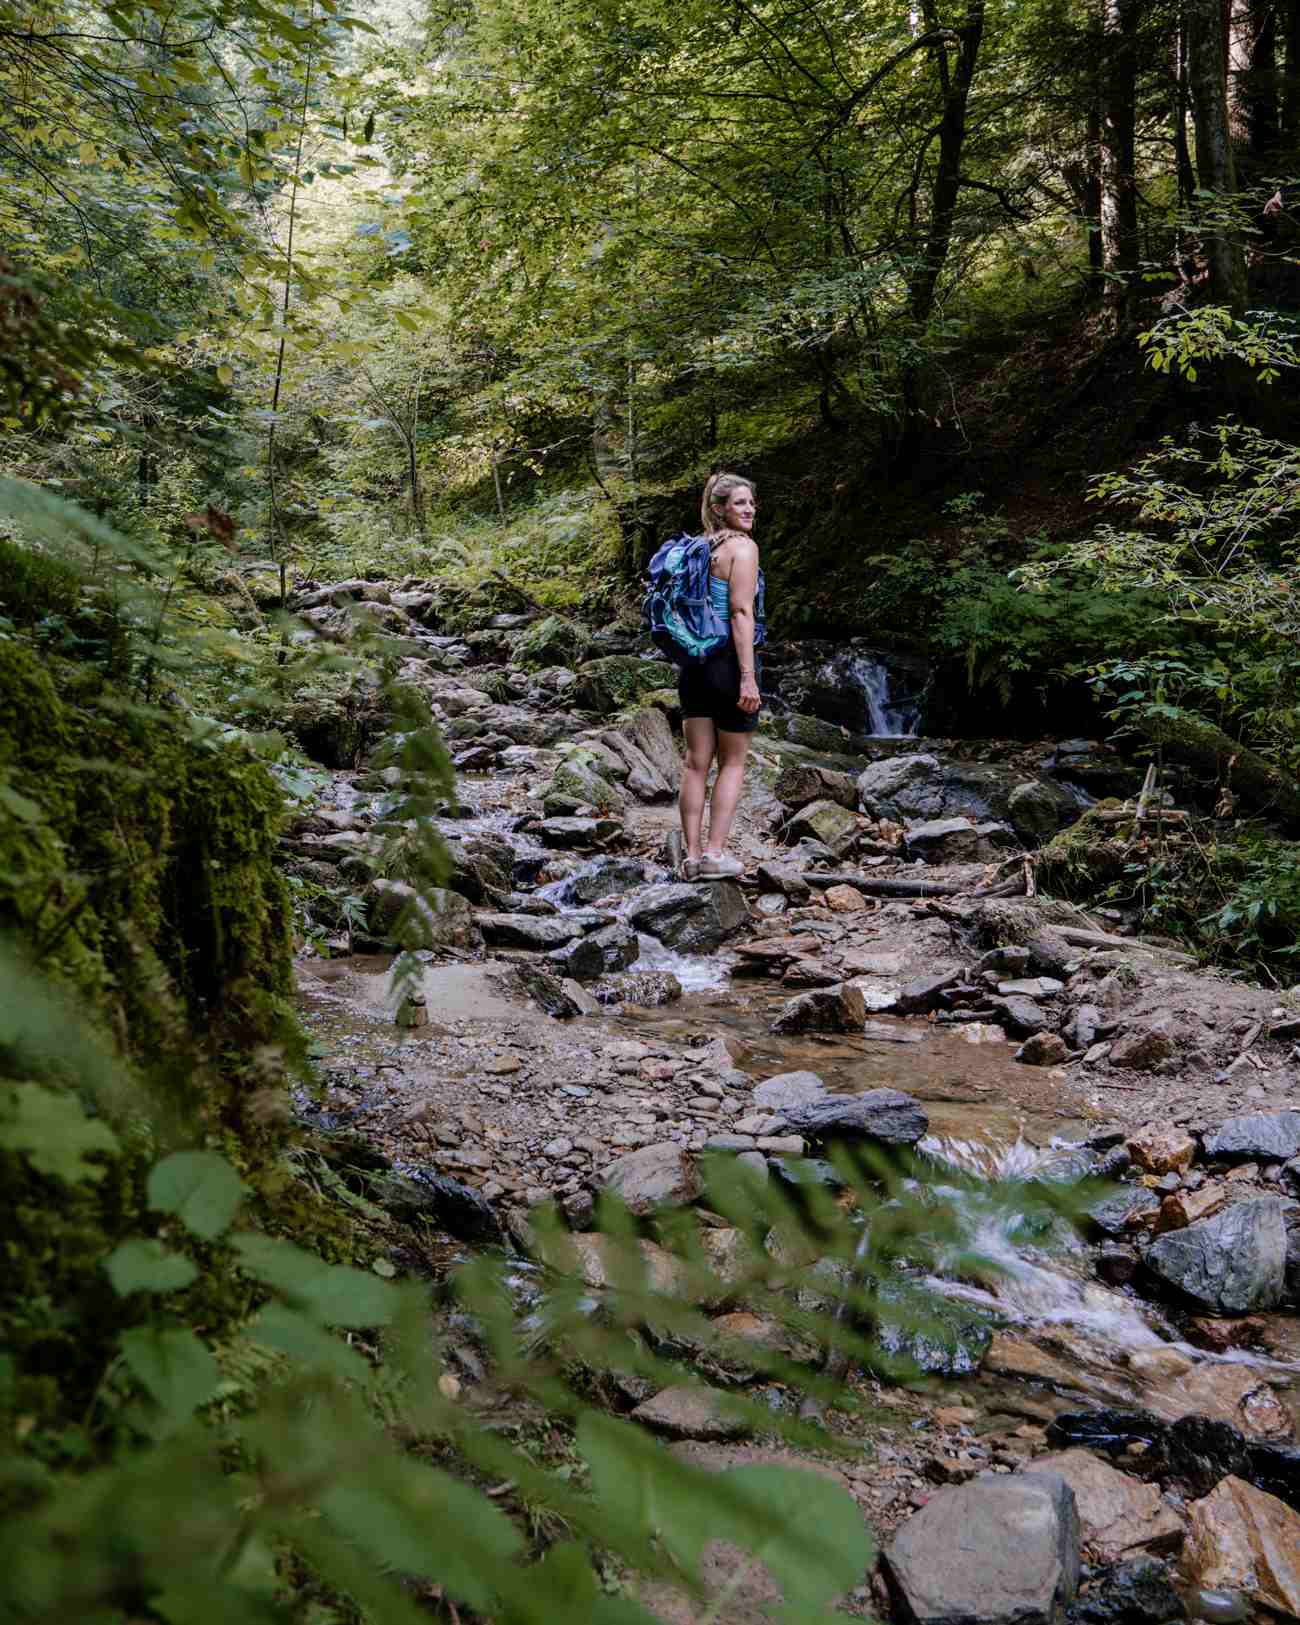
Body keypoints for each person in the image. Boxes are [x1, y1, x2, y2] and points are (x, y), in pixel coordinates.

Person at [677, 472, 762, 879]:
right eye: (739, 503)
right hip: (727, 662)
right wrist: (747, 676)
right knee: (732, 762)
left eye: (751, 503)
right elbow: (741, 613)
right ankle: (713, 855)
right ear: (719, 509)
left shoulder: (698, 547)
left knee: (695, 763)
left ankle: (690, 857)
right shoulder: (742, 549)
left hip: (693, 663)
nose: (748, 510)